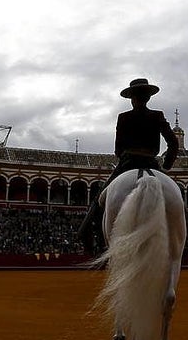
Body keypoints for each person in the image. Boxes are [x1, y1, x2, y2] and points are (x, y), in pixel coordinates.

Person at [77, 78, 180, 256]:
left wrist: (125, 157)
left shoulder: (124, 117)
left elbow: (118, 149)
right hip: (152, 164)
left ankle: (86, 237)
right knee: (180, 206)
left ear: (132, 99)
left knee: (98, 201)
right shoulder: (157, 115)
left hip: (127, 163)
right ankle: (186, 238)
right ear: (148, 98)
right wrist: (167, 165)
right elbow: (173, 143)